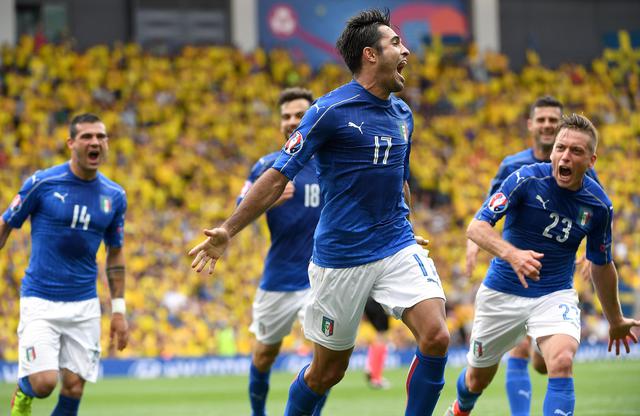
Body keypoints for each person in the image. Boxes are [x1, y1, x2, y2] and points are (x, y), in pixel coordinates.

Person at [189, 8, 449, 416]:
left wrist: (406, 225)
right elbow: (277, 176)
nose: (407, 51)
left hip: (396, 244)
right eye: (396, 43)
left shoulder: (403, 114)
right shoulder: (330, 111)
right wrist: (228, 229)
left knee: (436, 336)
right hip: (341, 259)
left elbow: (400, 180)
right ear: (370, 55)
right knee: (327, 372)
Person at [446, 114, 640, 416]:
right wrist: (513, 255)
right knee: (476, 379)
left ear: (591, 160)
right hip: (502, 293)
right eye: (561, 148)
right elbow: (477, 228)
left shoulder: (599, 206)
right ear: (552, 151)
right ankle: (461, 407)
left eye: (576, 151)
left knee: (562, 362)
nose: (565, 156)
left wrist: (615, 320)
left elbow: (602, 264)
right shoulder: (524, 179)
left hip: (554, 295)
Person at [465, 96, 600, 416]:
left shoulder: (583, 170)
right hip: (513, 275)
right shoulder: (515, 167)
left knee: (549, 362)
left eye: (554, 120)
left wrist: (593, 255)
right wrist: (478, 244)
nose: (548, 125)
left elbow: (593, 212)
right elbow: (486, 213)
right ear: (531, 125)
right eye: (541, 120)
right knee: (518, 349)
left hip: (554, 283)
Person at [4, 113, 129, 416]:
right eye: (87, 136)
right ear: (71, 143)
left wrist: (119, 310)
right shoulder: (42, 183)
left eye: (101, 136)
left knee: (74, 386)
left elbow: (115, 253)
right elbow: (7, 223)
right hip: (40, 299)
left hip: (84, 304)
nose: (95, 142)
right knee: (45, 383)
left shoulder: (114, 195)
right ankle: (24, 391)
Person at [238, 87, 327, 416]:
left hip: (322, 278)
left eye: (299, 115)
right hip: (278, 278)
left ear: (313, 117)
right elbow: (239, 209)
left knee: (325, 361)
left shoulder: (331, 162)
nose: (292, 122)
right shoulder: (267, 166)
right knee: (263, 356)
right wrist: (268, 198)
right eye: (286, 116)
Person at [363, 297, 392, 389]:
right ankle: (375, 378)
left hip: (368, 301)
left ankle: (370, 367)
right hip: (379, 301)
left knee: (379, 335)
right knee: (382, 337)